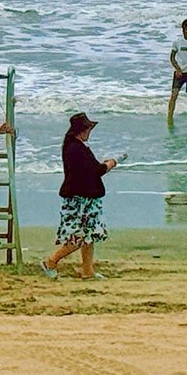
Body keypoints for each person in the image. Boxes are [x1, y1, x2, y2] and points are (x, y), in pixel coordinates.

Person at [43, 113, 118, 279]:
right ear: (82, 130)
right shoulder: (76, 149)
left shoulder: (74, 146)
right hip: (79, 199)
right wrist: (109, 164)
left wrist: (103, 165)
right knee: (78, 237)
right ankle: (51, 261)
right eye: (88, 128)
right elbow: (95, 171)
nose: (89, 132)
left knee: (89, 235)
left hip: (85, 197)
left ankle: (87, 270)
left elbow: (89, 170)